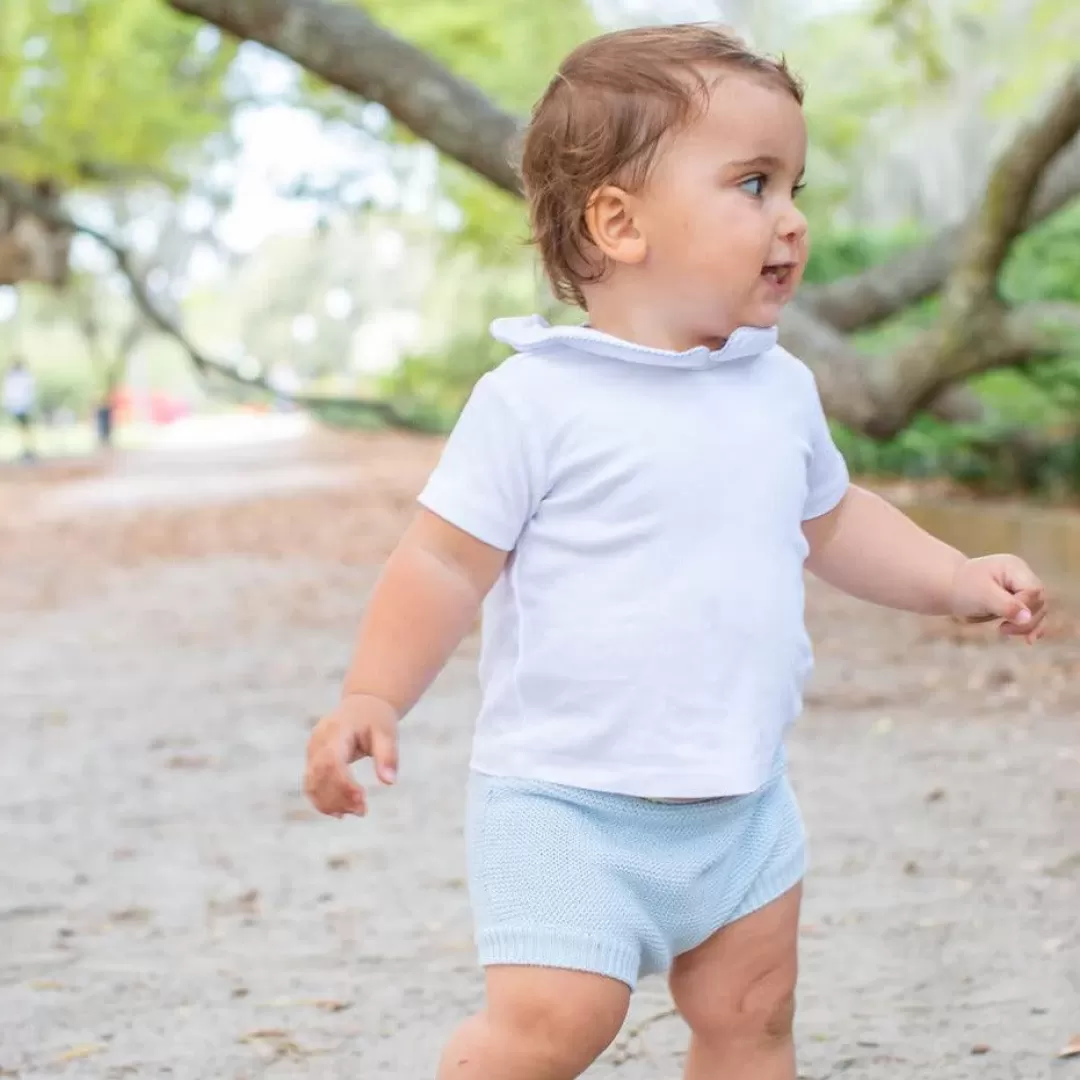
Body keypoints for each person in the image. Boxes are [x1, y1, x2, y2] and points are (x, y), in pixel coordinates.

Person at [304, 24, 1048, 1080]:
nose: (791, 221)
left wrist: (957, 578)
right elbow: (441, 564)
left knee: (751, 1026)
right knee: (553, 1028)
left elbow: (830, 520)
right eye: (753, 184)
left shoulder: (777, 386)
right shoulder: (534, 401)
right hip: (567, 802)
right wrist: (371, 695)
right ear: (620, 221)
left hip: (742, 803)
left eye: (793, 184)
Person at [2, 357, 36, 460]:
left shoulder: (20, 376)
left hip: (21, 406)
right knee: (24, 429)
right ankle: (26, 450)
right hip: (19, 406)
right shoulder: (14, 376)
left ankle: (27, 450)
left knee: (24, 429)